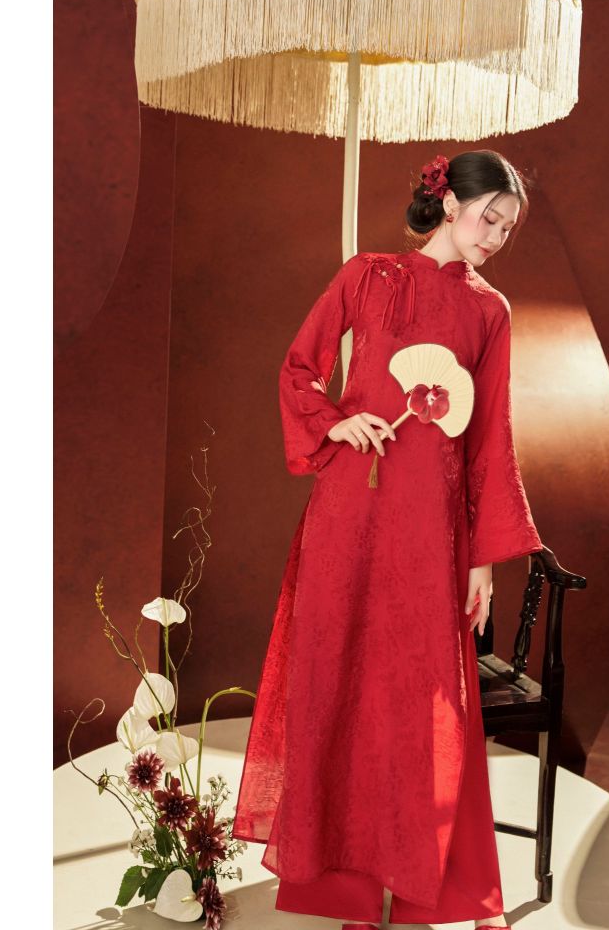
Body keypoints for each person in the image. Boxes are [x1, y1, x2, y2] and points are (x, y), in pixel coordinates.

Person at [231, 150, 543, 930]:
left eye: (508, 227)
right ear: (450, 204)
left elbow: (490, 440)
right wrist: (337, 420)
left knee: (423, 703)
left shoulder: (490, 312)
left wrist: (483, 561)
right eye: (489, 218)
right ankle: (347, 893)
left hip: (429, 530)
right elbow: (298, 370)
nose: (496, 237)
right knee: (338, 686)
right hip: (348, 515)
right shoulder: (365, 276)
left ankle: (440, 888)